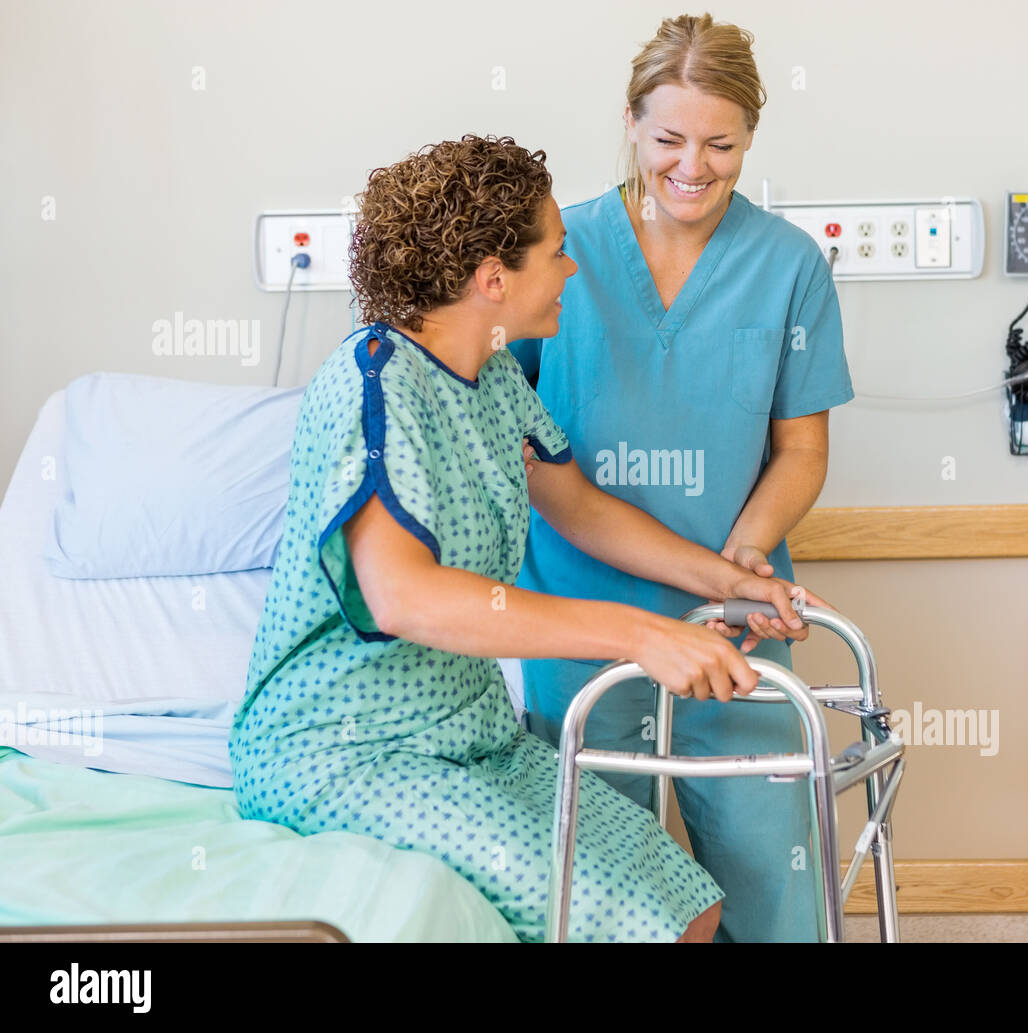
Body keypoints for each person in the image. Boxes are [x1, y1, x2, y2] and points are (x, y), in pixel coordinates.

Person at [227, 134, 811, 943]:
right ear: (494, 279)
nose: (574, 269)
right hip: (350, 752)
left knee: (690, 902)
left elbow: (578, 506)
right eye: (558, 254)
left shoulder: (496, 375)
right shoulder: (372, 383)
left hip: (473, 736)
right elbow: (402, 594)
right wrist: (641, 634)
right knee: (629, 921)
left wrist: (730, 582)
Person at [510, 13, 854, 942]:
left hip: (732, 620)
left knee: (770, 874)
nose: (692, 166)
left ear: (750, 138)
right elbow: (533, 459)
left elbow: (801, 449)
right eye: (668, 139)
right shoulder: (554, 258)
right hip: (581, 618)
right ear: (630, 122)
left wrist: (744, 557)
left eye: (720, 143)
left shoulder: (786, 266)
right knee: (602, 893)